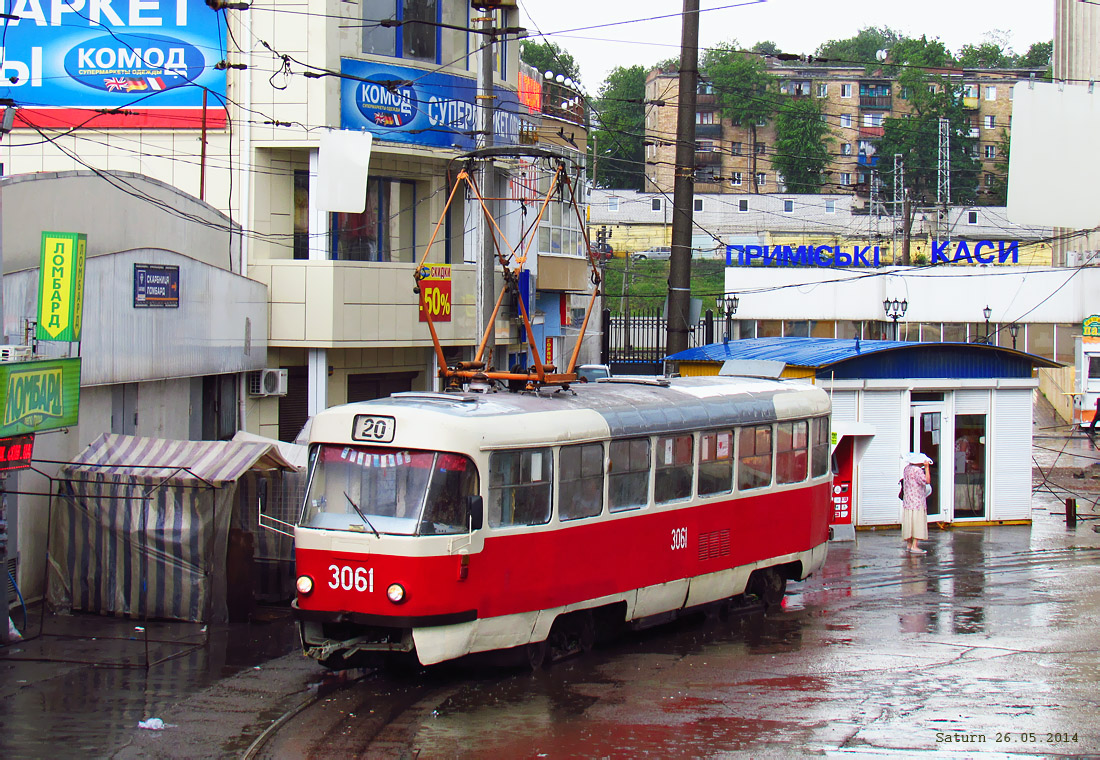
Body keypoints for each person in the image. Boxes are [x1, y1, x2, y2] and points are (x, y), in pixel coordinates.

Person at [901, 453, 931, 555]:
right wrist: (926, 469)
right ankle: (915, 546)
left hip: (908, 500)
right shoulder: (917, 471)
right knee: (917, 522)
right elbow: (927, 481)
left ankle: (909, 545)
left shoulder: (907, 469)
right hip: (917, 501)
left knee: (909, 522)